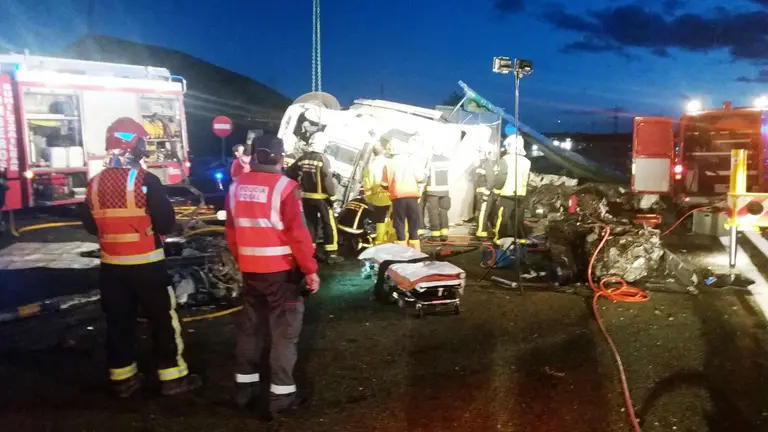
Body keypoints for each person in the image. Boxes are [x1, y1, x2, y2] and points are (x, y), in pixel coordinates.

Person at [81, 117, 201, 398]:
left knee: (118, 322)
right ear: (133, 145)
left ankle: (123, 379)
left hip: (111, 268)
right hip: (147, 265)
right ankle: (172, 378)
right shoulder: (145, 180)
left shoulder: (94, 183)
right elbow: (165, 222)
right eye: (142, 143)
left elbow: (90, 225)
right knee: (162, 320)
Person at [225, 134, 320, 417]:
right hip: (281, 273)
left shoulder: (235, 186)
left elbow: (231, 232)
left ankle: (244, 390)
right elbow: (298, 234)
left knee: (250, 329)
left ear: (254, 155)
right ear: (280, 157)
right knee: (284, 333)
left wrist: (243, 259)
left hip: (250, 270)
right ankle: (282, 396)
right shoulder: (285, 187)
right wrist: (310, 270)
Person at [285, 132, 343, 263]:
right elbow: (327, 180)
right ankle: (331, 253)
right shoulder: (323, 159)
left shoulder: (303, 158)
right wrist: (333, 197)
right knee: (329, 223)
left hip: (306, 197)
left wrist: (299, 184)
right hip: (321, 198)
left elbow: (290, 172)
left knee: (310, 223)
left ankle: (310, 251)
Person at [381, 136, 425, 251]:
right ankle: (415, 252)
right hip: (412, 196)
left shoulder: (387, 165)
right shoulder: (410, 161)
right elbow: (420, 178)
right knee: (413, 224)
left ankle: (402, 252)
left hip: (398, 197)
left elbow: (384, 184)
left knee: (399, 224)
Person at [492, 134, 531, 245]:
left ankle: (499, 238)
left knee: (503, 217)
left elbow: (501, 177)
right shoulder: (527, 161)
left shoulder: (505, 160)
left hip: (506, 193)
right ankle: (520, 238)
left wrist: (496, 191)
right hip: (521, 195)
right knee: (518, 218)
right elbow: (527, 178)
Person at [362, 144, 391, 245]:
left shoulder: (371, 166)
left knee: (380, 220)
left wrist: (369, 199)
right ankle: (390, 239)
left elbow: (367, 184)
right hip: (392, 195)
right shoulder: (389, 162)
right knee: (392, 218)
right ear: (383, 151)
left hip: (378, 197)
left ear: (373, 153)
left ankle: (379, 240)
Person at [423, 151, 451, 242]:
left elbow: (425, 174)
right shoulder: (447, 159)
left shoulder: (429, 160)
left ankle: (435, 235)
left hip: (433, 191)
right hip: (445, 190)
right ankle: (444, 234)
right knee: (444, 212)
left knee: (433, 213)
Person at [474, 144, 496, 239]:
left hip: (485, 193)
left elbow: (491, 180)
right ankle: (482, 231)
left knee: (483, 213)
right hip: (480, 192)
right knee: (480, 213)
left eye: (480, 151)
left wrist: (486, 193)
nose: (478, 153)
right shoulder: (481, 163)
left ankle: (482, 233)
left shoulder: (487, 163)